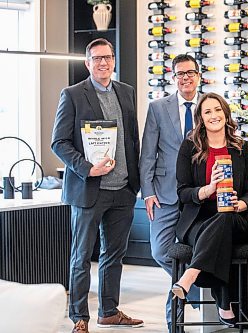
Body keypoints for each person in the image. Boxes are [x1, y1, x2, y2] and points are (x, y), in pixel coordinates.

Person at [51, 38, 143, 333]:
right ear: (87, 63)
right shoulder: (73, 94)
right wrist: (87, 168)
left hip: (123, 191)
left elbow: (131, 140)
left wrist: (135, 183)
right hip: (89, 190)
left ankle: (109, 311)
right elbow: (59, 143)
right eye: (97, 58)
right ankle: (79, 317)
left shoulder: (126, 92)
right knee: (81, 257)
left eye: (108, 57)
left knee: (114, 255)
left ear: (114, 60)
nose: (103, 63)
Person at [172, 92, 248, 327]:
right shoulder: (189, 147)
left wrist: (242, 203)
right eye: (207, 111)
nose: (214, 115)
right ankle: (224, 302)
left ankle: (192, 273)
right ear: (200, 117)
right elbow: (182, 192)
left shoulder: (242, 148)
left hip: (236, 217)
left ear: (226, 113)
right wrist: (208, 190)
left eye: (218, 109)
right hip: (197, 220)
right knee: (218, 228)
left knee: (225, 217)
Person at [139, 53, 201, 328]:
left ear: (199, 76)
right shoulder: (157, 108)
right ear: (173, 77)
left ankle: (173, 319)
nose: (185, 78)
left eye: (190, 72)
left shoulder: (210, 107)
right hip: (164, 194)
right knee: (160, 250)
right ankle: (195, 286)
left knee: (200, 250)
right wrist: (148, 192)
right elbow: (147, 154)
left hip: (200, 194)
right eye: (180, 74)